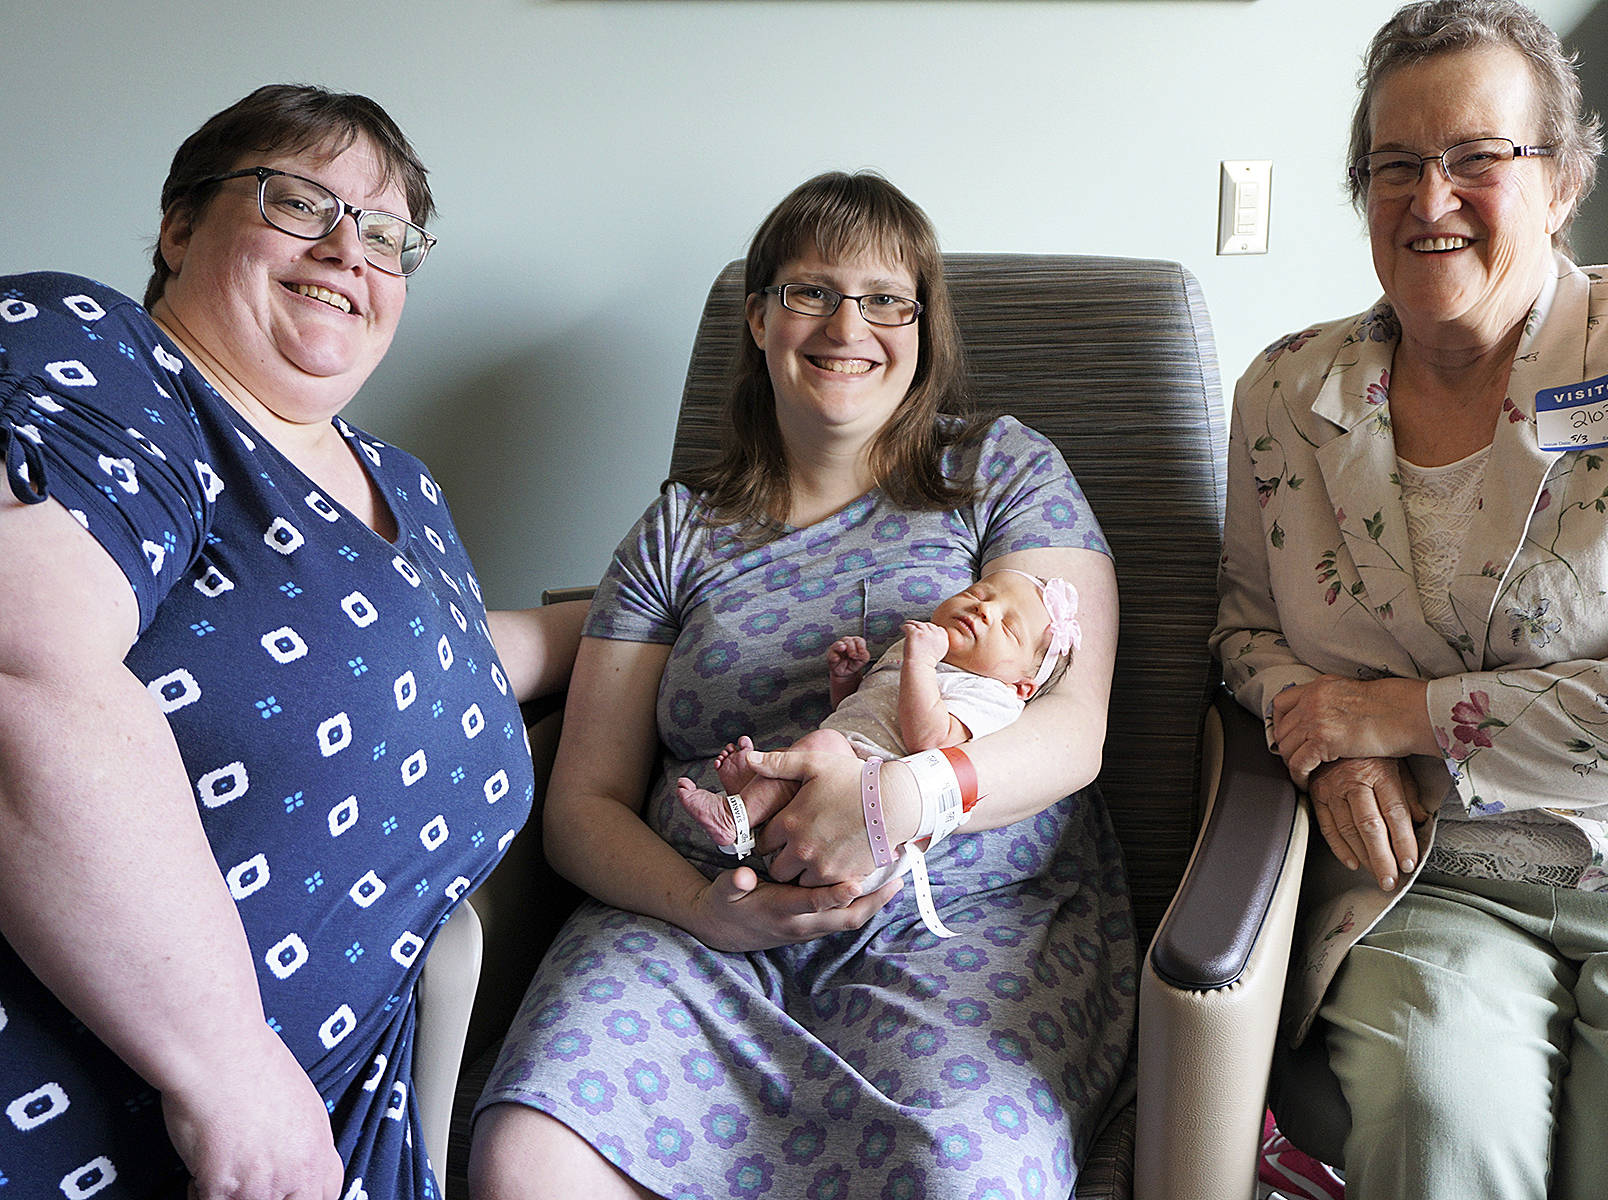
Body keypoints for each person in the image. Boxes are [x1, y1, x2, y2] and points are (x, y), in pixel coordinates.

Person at [1212, 2, 1608, 1196]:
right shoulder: (1285, 391)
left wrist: (1392, 715)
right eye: (1395, 164)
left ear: (1564, 179)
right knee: (1441, 1135)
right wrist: (1330, 748)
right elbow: (1245, 629)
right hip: (1431, 878)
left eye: (1478, 156)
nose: (1429, 198)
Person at [469, 170, 1132, 1200]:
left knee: (965, 1171)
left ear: (923, 328)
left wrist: (906, 797)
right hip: (697, 930)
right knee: (527, 1158)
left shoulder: (1001, 472)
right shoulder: (676, 532)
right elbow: (583, 804)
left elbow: (1074, 728)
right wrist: (705, 909)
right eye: (811, 292)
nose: (847, 326)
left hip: (956, 925)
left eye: (885, 300)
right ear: (759, 318)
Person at [0, 85, 584, 1199]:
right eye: (300, 201)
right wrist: (229, 1077)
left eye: (386, 235)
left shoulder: (404, 484)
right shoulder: (103, 356)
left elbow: (442, 668)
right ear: (179, 227)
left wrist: (662, 608)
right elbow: (25, 667)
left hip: (336, 1132)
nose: (348, 250)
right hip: (110, 1112)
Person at [676, 566, 1080, 881]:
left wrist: (920, 662)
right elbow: (860, 714)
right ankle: (749, 812)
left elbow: (931, 741)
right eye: (977, 593)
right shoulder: (914, 649)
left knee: (820, 745)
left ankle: (735, 816)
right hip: (833, 775)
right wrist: (846, 680)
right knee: (808, 749)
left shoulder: (992, 695)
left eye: (1008, 628)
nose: (983, 609)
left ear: (1021, 686)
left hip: (866, 823)